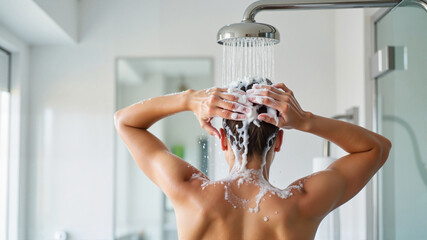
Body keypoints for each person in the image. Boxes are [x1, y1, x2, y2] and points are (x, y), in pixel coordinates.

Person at [114, 80, 391, 240]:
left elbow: (125, 122)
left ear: (222, 140)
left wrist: (189, 100)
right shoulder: (302, 203)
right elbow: (376, 148)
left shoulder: (189, 192)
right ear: (279, 141)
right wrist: (305, 120)